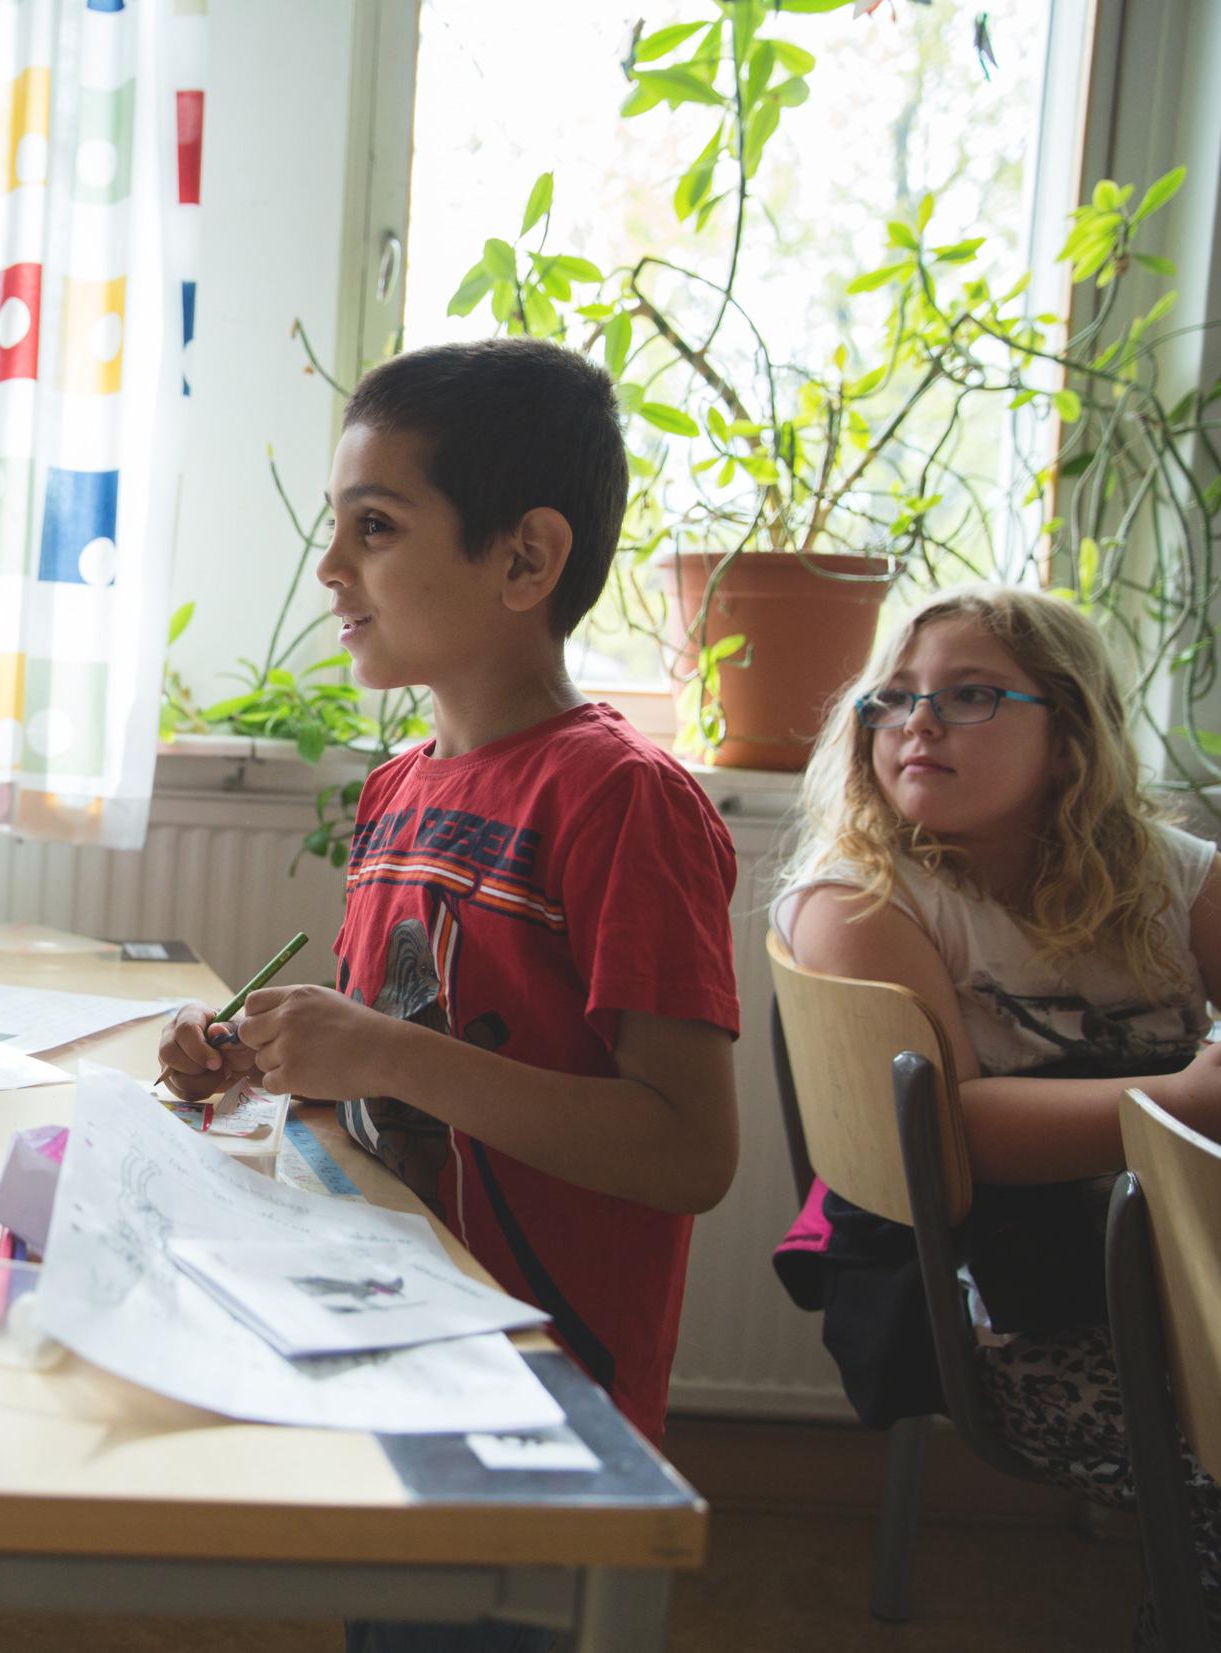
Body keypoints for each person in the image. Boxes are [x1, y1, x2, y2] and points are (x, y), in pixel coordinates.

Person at [157, 338, 741, 1653]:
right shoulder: (400, 788)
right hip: (401, 1330)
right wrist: (262, 1058)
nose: (331, 568)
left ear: (526, 559)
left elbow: (690, 1150)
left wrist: (391, 1059)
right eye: (335, 527)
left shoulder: (623, 802)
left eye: (376, 526)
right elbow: (397, 1058)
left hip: (541, 1389)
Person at [770, 585, 1221, 1650]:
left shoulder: (1172, 877)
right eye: (892, 699)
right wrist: (1188, 1103)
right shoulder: (861, 902)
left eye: (968, 696)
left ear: (1068, 736)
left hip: (1184, 1269)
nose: (915, 722)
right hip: (1006, 1304)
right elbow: (946, 1139)